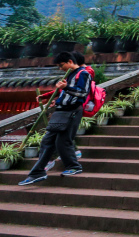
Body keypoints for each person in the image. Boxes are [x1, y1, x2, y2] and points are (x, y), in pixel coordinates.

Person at [19, 52, 89, 184]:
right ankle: (37, 172)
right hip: (61, 112)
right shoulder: (69, 75)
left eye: (61, 65)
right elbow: (65, 94)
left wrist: (66, 87)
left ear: (69, 61)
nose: (60, 68)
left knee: (63, 142)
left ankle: (74, 166)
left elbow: (83, 93)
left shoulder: (83, 73)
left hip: (72, 111)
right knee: (46, 141)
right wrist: (56, 102)